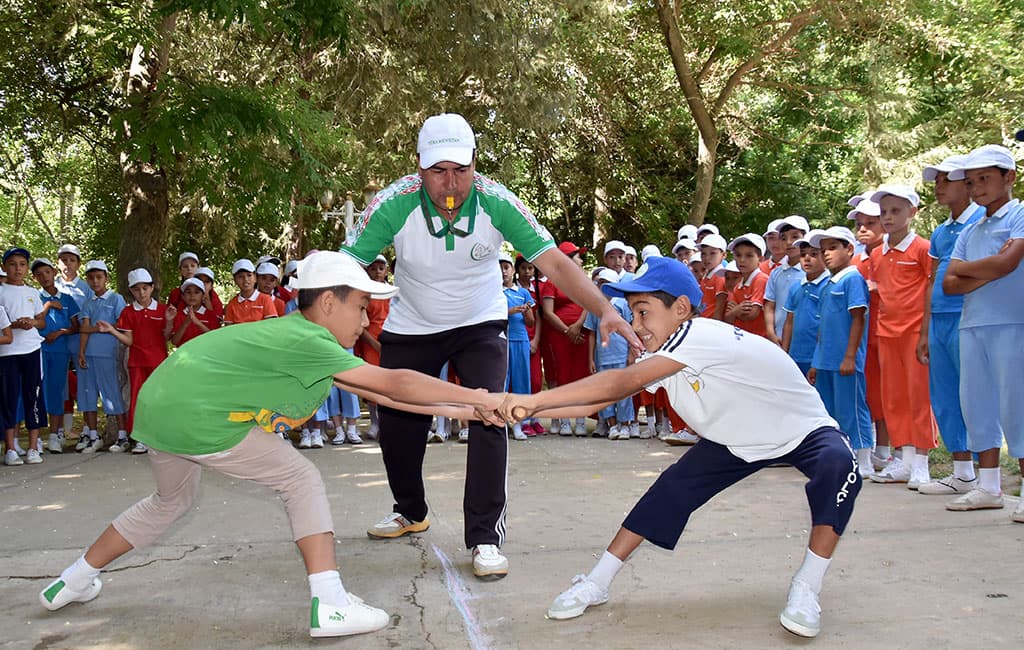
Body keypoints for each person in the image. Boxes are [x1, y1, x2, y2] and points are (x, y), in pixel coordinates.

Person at [37, 251, 508, 638]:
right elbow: (397, 380)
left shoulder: (301, 340)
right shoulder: (309, 338)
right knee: (299, 477)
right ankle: (330, 604)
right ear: (328, 303)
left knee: (170, 500)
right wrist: (477, 394)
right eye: (361, 306)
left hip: (161, 407)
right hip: (198, 414)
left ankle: (72, 580)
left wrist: (476, 411)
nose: (367, 318)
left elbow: (384, 394)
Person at [497, 256, 861, 638]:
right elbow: (593, 404)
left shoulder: (698, 334)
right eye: (633, 314)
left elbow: (618, 383)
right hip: (737, 437)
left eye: (643, 312)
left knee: (839, 465)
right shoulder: (666, 351)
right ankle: (597, 581)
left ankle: (807, 586)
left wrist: (534, 401)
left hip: (800, 429)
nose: (636, 325)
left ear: (681, 309)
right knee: (669, 490)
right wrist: (522, 408)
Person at [339, 112, 637, 579]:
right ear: (419, 168)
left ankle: (484, 538)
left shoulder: (499, 203)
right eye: (438, 171)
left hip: (480, 322)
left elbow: (556, 265)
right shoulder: (393, 204)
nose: (450, 182)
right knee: (396, 429)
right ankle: (410, 510)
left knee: (491, 415)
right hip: (412, 324)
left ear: (476, 163)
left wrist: (606, 310)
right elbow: (346, 269)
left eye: (460, 168)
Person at [942, 144, 1024, 521]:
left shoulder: (1020, 215)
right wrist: (989, 267)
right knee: (977, 404)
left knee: (1016, 405)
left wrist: (971, 270)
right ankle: (988, 486)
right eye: (972, 182)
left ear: (1009, 177)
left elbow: (1009, 264)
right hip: (973, 324)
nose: (977, 188)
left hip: (1012, 322)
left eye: (985, 179)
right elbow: (949, 284)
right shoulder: (972, 228)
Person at [916, 155, 985, 495]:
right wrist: (924, 330)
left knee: (974, 394)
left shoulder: (981, 222)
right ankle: (962, 473)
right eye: (936, 180)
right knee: (944, 395)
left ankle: (988, 476)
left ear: (967, 184)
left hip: (968, 316)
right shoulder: (941, 231)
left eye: (947, 179)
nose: (939, 186)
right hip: (940, 319)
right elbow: (931, 281)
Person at [867, 185, 937, 487]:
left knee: (918, 397)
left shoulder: (923, 248)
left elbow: (932, 291)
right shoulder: (876, 254)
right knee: (893, 398)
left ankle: (922, 462)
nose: (888, 217)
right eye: (884, 212)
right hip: (886, 334)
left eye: (896, 211)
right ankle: (903, 459)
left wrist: (925, 332)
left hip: (914, 333)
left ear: (913, 212)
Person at [806, 228, 873, 477]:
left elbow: (858, 319)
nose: (826, 254)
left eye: (833, 247)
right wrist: (816, 361)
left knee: (852, 408)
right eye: (824, 250)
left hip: (845, 361)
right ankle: (840, 457)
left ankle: (863, 457)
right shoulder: (828, 284)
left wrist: (850, 356)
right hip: (825, 360)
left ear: (849, 249)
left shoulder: (852, 279)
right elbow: (823, 326)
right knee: (830, 411)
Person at [103, 268, 172, 454]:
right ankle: (140, 438)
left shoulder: (163, 309)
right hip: (137, 363)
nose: (141, 293)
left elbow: (166, 336)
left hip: (158, 362)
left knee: (158, 399)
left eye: (145, 288)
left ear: (152, 287)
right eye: (136, 289)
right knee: (138, 400)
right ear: (131, 291)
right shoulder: (128, 312)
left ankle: (159, 437)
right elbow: (129, 341)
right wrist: (112, 330)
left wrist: (170, 321)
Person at [847, 194, 891, 470]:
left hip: (890, 332)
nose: (862, 229)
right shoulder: (855, 261)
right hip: (865, 336)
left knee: (890, 394)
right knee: (871, 393)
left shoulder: (888, 254)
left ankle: (894, 452)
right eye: (859, 224)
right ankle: (878, 448)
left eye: (870, 223)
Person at [76, 260, 128, 452]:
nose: (95, 281)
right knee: (88, 394)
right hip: (89, 355)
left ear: (106, 278)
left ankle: (122, 436)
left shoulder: (116, 299)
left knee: (112, 393)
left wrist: (101, 328)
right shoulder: (88, 303)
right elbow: (84, 329)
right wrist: (81, 351)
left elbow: (122, 325)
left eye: (99, 277)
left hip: (108, 354)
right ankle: (92, 435)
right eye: (91, 278)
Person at [1, 247, 47, 465]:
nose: (17, 269)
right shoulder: (1, 292)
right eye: (12, 264)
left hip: (31, 349)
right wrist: (13, 325)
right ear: (4, 267)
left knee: (33, 396)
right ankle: (10, 448)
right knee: (8, 398)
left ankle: (33, 447)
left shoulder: (33, 293)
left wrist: (32, 323)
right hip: (7, 352)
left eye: (21, 264)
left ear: (27, 268)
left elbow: (41, 321)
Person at [541, 242, 592, 436]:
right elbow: (548, 312)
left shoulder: (583, 280)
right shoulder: (552, 282)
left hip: (581, 332)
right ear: (568, 260)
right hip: (559, 334)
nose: (580, 260)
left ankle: (580, 419)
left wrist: (578, 325)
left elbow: (589, 303)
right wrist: (566, 330)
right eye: (577, 256)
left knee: (581, 374)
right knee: (562, 373)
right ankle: (564, 419)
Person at [32, 258, 80, 453]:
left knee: (57, 391)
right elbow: (35, 320)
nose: (44, 277)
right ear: (35, 278)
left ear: (53, 272)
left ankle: (55, 435)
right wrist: (49, 305)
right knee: (38, 391)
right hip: (39, 350)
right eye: (39, 275)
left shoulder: (67, 298)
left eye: (47, 272)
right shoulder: (35, 297)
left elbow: (76, 326)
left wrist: (60, 332)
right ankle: (37, 438)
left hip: (60, 351)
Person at [585, 269, 635, 440]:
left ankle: (625, 425)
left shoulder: (622, 304)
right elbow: (591, 333)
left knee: (623, 391)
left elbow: (631, 328)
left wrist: (631, 353)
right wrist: (591, 358)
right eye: (600, 283)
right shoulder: (594, 307)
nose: (602, 287)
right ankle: (612, 425)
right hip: (603, 356)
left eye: (606, 284)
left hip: (621, 354)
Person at [352, 254, 391, 441]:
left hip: (391, 340)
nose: (377, 272)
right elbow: (360, 324)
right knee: (372, 383)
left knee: (388, 383)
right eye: (373, 268)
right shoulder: (362, 293)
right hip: (369, 341)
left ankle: (387, 422)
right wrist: (374, 344)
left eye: (380, 268)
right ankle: (375, 423)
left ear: (386, 271)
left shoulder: (392, 291)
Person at [781, 232, 830, 377]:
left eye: (814, 254)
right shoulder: (796, 287)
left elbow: (826, 325)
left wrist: (818, 358)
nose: (807, 259)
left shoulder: (828, 286)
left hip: (817, 357)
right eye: (803, 255)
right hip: (796, 355)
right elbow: (789, 321)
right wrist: (785, 352)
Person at [501, 253, 535, 441]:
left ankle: (519, 424)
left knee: (522, 381)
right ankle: (502, 421)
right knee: (502, 382)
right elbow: (493, 317)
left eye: (506, 267)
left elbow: (530, 322)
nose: (503, 272)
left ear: (513, 270)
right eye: (499, 268)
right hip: (502, 340)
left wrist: (526, 311)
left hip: (521, 340)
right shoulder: (493, 292)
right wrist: (510, 311)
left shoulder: (523, 292)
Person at [764, 216, 809, 346]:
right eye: (784, 238)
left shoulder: (811, 272)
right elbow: (769, 305)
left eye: (795, 237)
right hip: (778, 338)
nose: (789, 242)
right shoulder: (776, 273)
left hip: (803, 340)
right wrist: (770, 332)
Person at [514, 254, 544, 436]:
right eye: (523, 268)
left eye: (530, 268)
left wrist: (536, 341)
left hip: (533, 340)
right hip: (517, 339)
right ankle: (521, 419)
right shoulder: (512, 290)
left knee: (535, 380)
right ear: (517, 270)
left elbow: (538, 318)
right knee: (519, 380)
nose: (527, 271)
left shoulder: (537, 290)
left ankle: (535, 418)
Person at [724, 233, 769, 337]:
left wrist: (735, 311)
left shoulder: (761, 279)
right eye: (738, 255)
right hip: (742, 335)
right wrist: (737, 311)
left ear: (761, 259)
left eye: (749, 256)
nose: (742, 260)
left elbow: (752, 314)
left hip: (758, 337)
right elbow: (728, 318)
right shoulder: (738, 286)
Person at [224, 259, 278, 324]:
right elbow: (229, 329)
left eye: (249, 275)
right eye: (240, 276)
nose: (246, 279)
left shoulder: (265, 300)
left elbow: (271, 325)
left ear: (255, 277)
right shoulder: (232, 304)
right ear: (235, 280)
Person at [169, 278, 220, 347]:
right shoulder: (178, 315)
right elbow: (174, 342)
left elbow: (216, 338)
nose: (192, 295)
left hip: (206, 355)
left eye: (196, 292)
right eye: (188, 292)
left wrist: (197, 322)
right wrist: (185, 324)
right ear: (183, 297)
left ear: (203, 296)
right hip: (185, 356)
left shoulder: (211, 315)